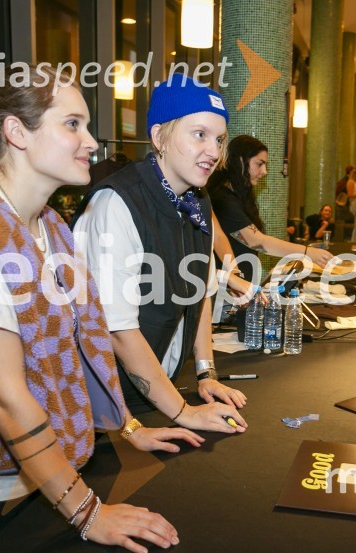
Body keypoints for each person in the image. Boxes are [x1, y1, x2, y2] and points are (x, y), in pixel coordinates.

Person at [0, 65, 196, 551]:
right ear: (17, 132)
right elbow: (5, 399)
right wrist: (89, 512)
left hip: (40, 480)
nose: (92, 142)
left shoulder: (49, 224)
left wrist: (127, 423)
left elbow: (79, 344)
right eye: (72, 124)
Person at [73, 74, 249, 431]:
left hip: (161, 392)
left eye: (219, 139)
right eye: (199, 135)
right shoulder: (116, 203)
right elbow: (118, 330)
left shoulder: (198, 202)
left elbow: (200, 296)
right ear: (159, 138)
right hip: (106, 403)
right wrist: (184, 412)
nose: (214, 152)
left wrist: (206, 372)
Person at [208, 134, 333, 281]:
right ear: (241, 161)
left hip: (239, 283)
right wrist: (307, 252)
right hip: (226, 287)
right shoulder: (223, 198)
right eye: (259, 164)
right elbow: (257, 241)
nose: (264, 171)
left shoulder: (239, 194)